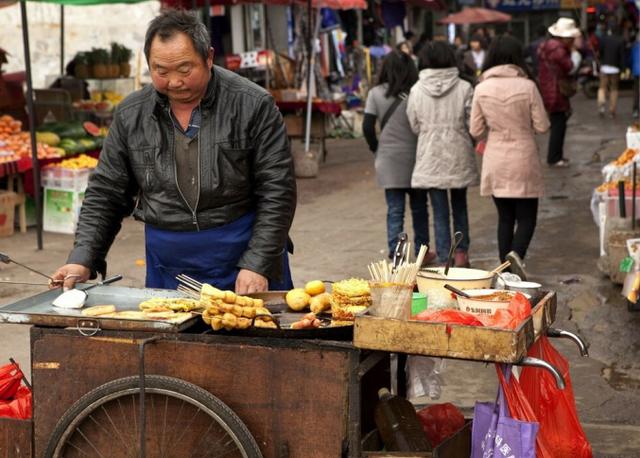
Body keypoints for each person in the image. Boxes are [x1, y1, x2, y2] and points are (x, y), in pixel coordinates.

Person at [50, 10, 296, 294]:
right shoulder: (131, 114)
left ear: (209, 57)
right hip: (168, 263)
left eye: (184, 69)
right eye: (161, 71)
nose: (174, 82)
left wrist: (258, 262)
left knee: (253, 337)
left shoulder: (253, 104)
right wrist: (83, 258)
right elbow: (106, 191)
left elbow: (278, 189)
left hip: (242, 253)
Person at [470, 35, 550, 279]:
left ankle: (505, 271)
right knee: (527, 217)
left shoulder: (481, 88)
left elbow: (475, 130)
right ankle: (516, 255)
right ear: (517, 57)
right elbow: (543, 125)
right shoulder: (528, 87)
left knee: (505, 218)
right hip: (523, 157)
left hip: (495, 158)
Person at [406, 42, 479, 267]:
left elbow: (414, 124)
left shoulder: (417, 89)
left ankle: (445, 255)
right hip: (458, 152)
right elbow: (472, 123)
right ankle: (461, 254)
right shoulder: (465, 88)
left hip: (430, 155)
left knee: (439, 210)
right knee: (460, 205)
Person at [362, 51, 433, 264]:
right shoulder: (418, 93)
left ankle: (396, 254)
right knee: (420, 209)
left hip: (389, 159)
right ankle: (423, 252)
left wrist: (376, 148)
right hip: (416, 158)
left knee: (395, 210)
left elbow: (367, 126)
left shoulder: (375, 93)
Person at [537, 17, 580, 168]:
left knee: (558, 123)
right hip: (556, 91)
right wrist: (575, 55)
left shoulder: (546, 46)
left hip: (548, 88)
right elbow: (570, 67)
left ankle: (556, 156)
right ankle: (554, 157)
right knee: (558, 125)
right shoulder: (559, 50)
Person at [597, 21, 625, 118]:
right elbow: (622, 56)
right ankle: (612, 110)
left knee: (602, 88)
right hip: (615, 69)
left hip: (604, 67)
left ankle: (601, 105)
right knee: (614, 89)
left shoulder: (603, 39)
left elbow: (600, 52)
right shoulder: (620, 40)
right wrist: (623, 69)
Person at [632, 32, 640, 119]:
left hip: (636, 72)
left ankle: (635, 110)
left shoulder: (634, 46)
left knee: (636, 92)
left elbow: (631, 59)